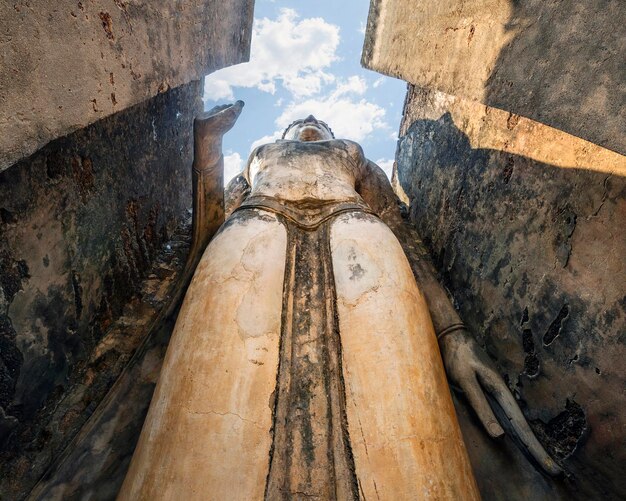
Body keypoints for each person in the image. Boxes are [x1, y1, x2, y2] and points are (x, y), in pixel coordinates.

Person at [118, 103, 560, 500]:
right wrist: (208, 150)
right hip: (254, 231)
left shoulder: (352, 153)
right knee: (211, 404)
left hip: (357, 233)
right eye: (300, 121)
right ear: (287, 131)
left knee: (398, 404)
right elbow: (211, 225)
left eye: (318, 121)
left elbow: (399, 227)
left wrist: (452, 332)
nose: (309, 122)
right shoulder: (260, 156)